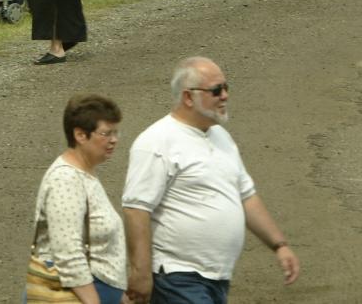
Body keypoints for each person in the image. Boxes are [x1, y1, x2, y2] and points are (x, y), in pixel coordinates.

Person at [122, 56, 300, 304]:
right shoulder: (156, 142)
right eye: (216, 90)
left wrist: (279, 245)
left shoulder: (221, 137)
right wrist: (140, 274)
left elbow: (245, 196)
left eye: (226, 88)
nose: (225, 95)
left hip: (217, 277)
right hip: (177, 277)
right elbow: (136, 210)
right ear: (188, 97)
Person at [29, 95, 127, 304]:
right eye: (106, 133)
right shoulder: (66, 179)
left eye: (116, 132)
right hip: (77, 295)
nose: (114, 140)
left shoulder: (84, 174)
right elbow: (68, 252)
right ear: (80, 135)